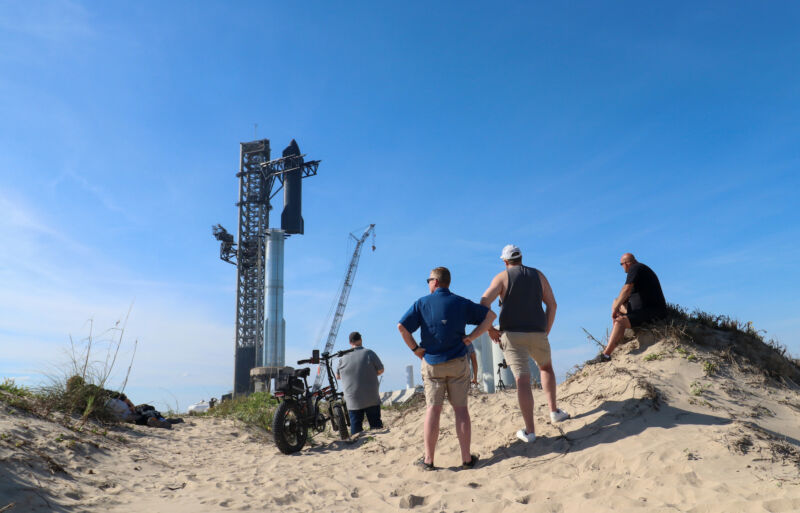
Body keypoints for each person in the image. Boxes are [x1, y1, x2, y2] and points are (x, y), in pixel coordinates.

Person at [398, 266, 496, 470]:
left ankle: (429, 460)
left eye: (428, 280)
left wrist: (415, 349)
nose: (428, 283)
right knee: (461, 410)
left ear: (434, 281)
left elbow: (402, 327)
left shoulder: (422, 303)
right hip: (458, 362)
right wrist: (473, 337)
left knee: (433, 410)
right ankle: (466, 459)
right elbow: (490, 317)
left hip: (432, 363)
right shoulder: (460, 302)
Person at [480, 245, 569, 444]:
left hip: (512, 334)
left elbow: (484, 302)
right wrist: (546, 329)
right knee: (545, 368)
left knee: (522, 380)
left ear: (505, 261)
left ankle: (530, 431)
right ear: (521, 258)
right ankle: (554, 411)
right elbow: (552, 304)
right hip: (537, 331)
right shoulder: (538, 275)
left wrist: (490, 329)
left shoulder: (502, 277)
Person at [588, 253, 667, 364]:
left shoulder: (635, 268)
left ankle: (605, 355)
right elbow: (625, 295)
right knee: (616, 302)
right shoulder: (640, 270)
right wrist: (617, 306)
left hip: (653, 311)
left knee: (620, 320)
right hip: (641, 309)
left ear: (626, 263)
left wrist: (615, 310)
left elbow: (627, 288)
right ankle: (620, 331)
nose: (622, 267)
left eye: (621, 264)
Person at [336, 331, 385, 435]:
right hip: (371, 397)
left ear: (350, 342)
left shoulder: (342, 358)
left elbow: (338, 376)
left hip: (352, 399)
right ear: (361, 340)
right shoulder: (369, 353)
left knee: (356, 428)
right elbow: (381, 370)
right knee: (376, 425)